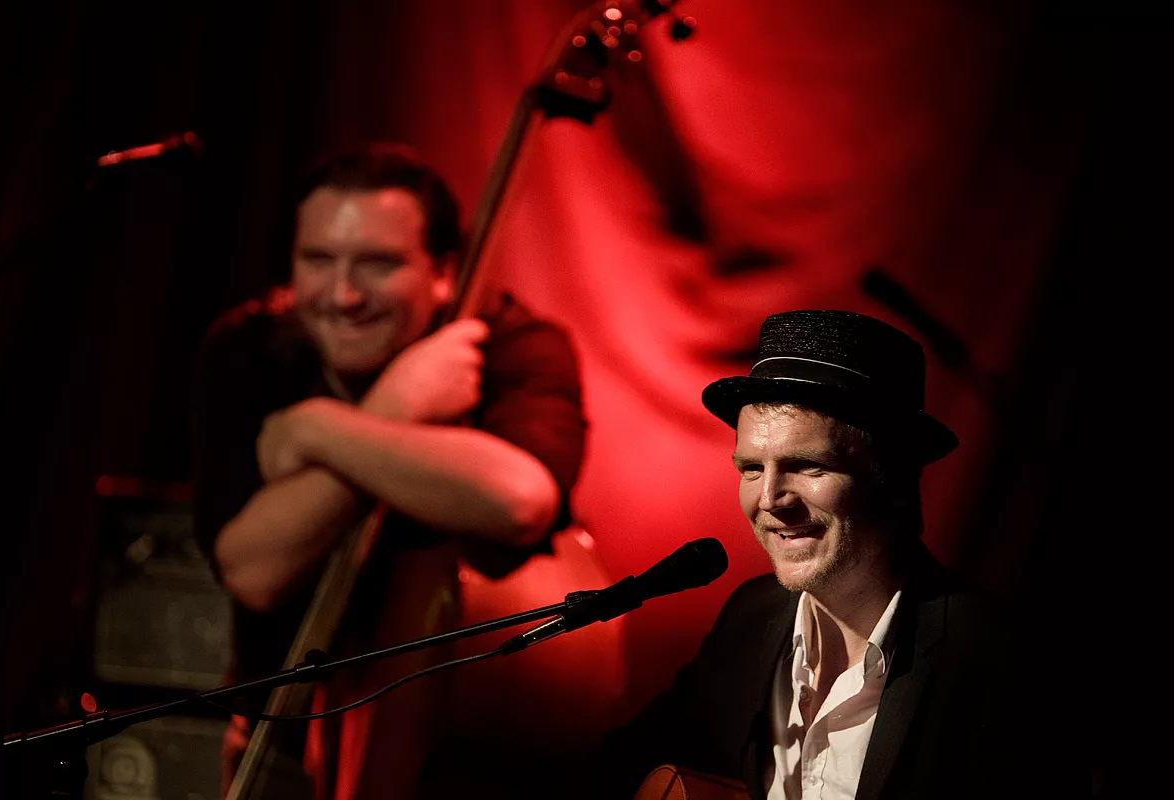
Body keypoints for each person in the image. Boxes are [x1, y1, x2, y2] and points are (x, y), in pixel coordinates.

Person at [190, 142, 587, 800]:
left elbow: (519, 499)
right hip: (280, 748)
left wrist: (318, 428)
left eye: (378, 264)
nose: (343, 295)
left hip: (447, 775)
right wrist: (395, 407)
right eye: (319, 259)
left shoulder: (513, 345)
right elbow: (254, 572)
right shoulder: (248, 350)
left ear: (443, 271)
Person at [598, 309, 1070, 800]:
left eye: (807, 466)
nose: (770, 500)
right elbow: (618, 767)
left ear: (894, 479)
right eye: (752, 468)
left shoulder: (995, 659)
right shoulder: (749, 619)